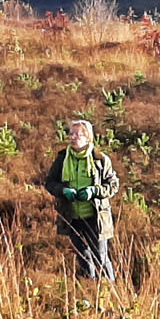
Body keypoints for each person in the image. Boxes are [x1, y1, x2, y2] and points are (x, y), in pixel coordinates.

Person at [42, 119, 121, 282]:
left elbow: (113, 185)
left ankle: (110, 288)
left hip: (95, 217)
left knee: (101, 256)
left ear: (88, 137)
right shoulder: (62, 159)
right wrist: (63, 190)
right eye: (71, 133)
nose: (73, 137)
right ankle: (90, 287)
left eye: (78, 134)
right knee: (83, 256)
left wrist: (94, 191)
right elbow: (50, 182)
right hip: (72, 216)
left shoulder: (100, 159)